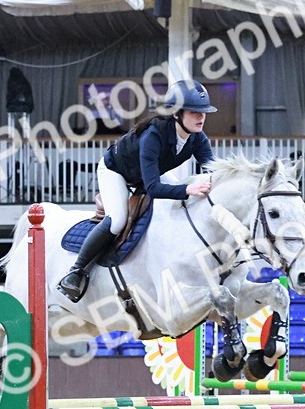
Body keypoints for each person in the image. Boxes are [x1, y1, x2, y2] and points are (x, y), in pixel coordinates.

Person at [57, 80, 217, 301]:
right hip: (116, 171)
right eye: (194, 112)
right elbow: (153, 188)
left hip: (147, 173)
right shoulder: (153, 136)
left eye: (204, 112)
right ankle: (76, 272)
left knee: (179, 206)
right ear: (176, 113)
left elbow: (214, 171)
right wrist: (188, 188)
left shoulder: (198, 138)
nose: (201, 117)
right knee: (117, 221)